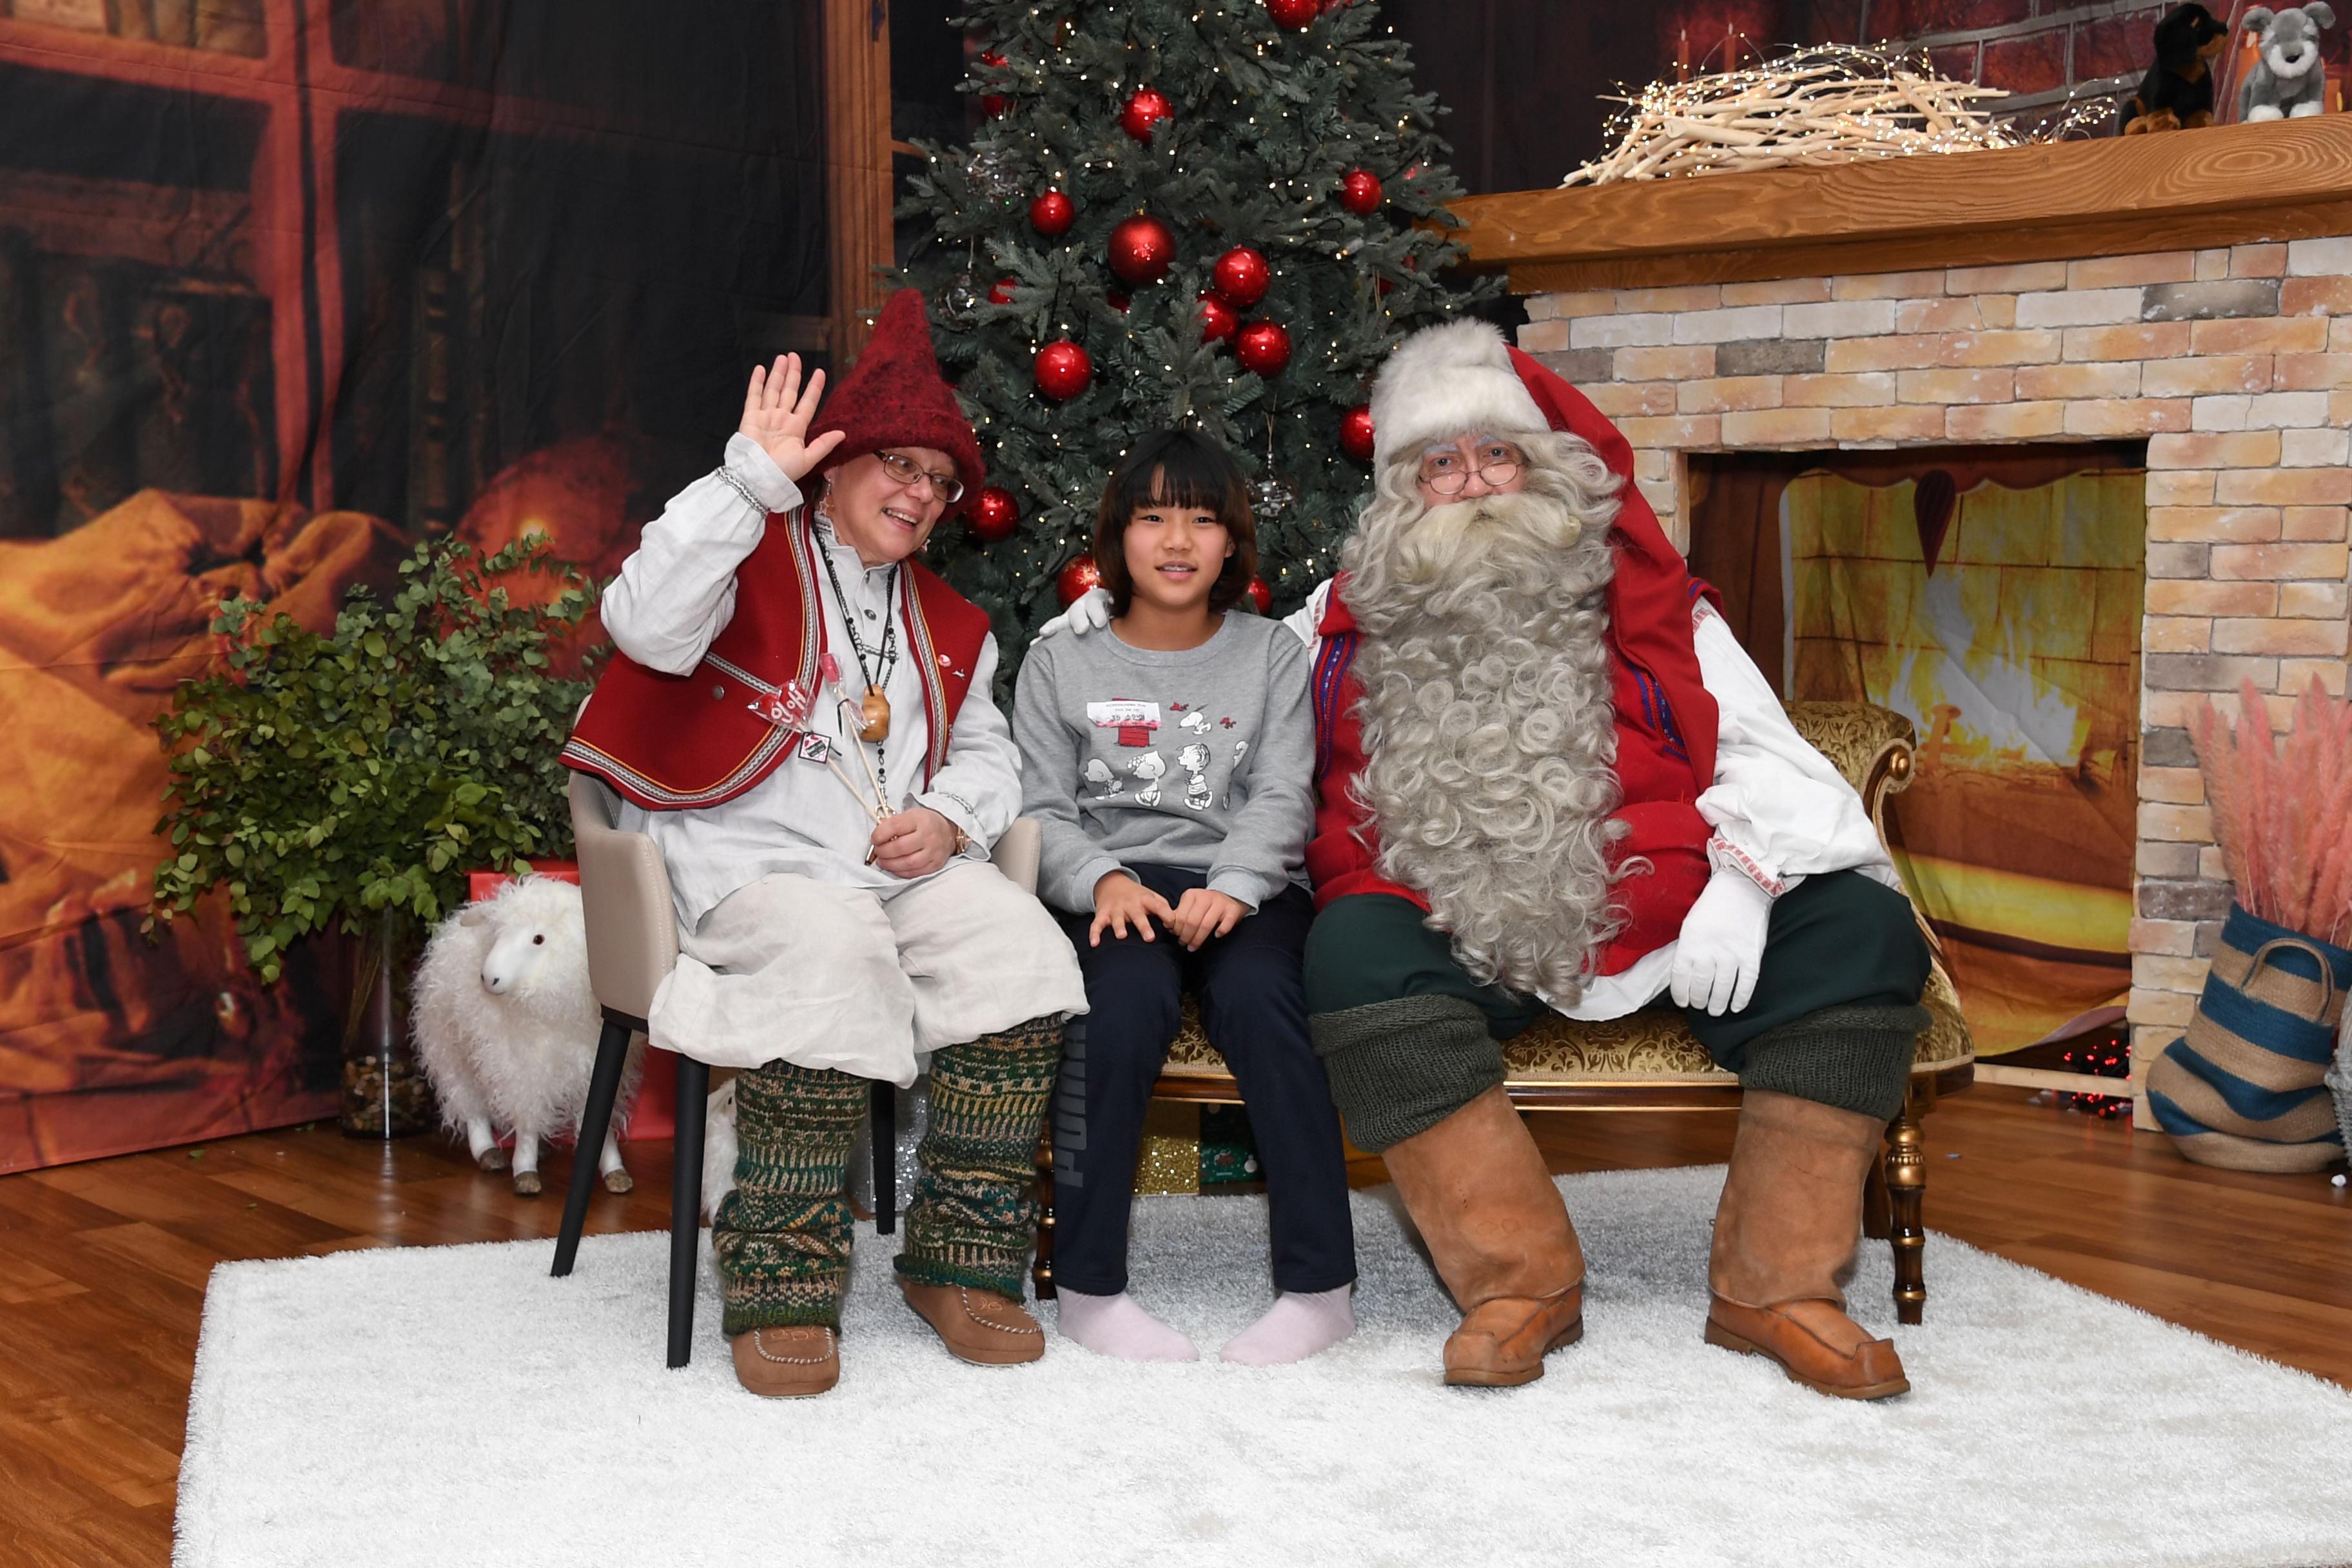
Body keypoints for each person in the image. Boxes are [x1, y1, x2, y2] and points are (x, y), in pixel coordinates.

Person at [1045, 319, 1931, 1400]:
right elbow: (1213, 652)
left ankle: (1777, 1288)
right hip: (1452, 925)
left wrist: (1743, 890)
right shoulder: (1333, 622)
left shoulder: (1658, 614)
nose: (1473, 484)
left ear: (1545, 466)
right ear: (1403, 491)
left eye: (1498, 454)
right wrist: (1112, 618)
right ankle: (1517, 1283)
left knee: (1862, 928)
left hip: (1667, 912)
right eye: (1442, 462)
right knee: (1354, 951)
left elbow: (1771, 756)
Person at [564, 289, 1087, 1398]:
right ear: (834, 465)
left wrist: (948, 819)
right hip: (739, 871)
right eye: (898, 464)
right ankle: (783, 1279)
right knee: (827, 946)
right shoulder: (743, 545)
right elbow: (642, 623)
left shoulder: (948, 623)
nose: (920, 494)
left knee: (1022, 950)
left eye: (940, 481)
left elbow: (991, 758)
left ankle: (959, 1259)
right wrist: (748, 482)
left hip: (891, 874)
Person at [1013, 430, 1355, 1366]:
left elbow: (1284, 793)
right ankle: (1088, 1289)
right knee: (1116, 1010)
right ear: (1117, 535)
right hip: (1111, 887)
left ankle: (1320, 1289)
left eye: (1203, 520)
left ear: (1233, 542)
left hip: (1243, 886)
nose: (1177, 540)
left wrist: (1238, 887)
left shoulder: (1272, 656)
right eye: (1154, 516)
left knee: (1267, 1005)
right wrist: (1102, 881)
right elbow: (1041, 809)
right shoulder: (1059, 664)